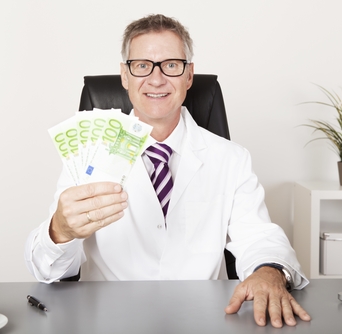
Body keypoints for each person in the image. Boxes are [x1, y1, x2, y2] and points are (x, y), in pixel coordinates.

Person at [25, 14, 311, 328]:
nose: (157, 79)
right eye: (142, 65)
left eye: (171, 65)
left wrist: (268, 272)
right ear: (125, 75)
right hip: (110, 320)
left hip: (204, 319)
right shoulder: (87, 155)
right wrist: (60, 232)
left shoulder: (231, 159)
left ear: (189, 75)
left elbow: (259, 237)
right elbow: (47, 270)